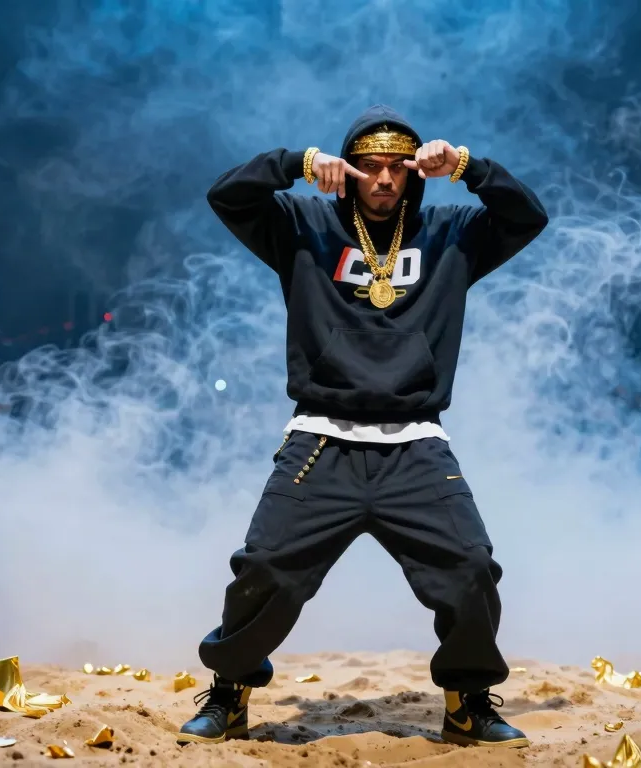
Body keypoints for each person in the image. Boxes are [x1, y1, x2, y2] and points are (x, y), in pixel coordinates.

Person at [177, 105, 549, 749]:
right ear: (349, 169)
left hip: (416, 444)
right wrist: (295, 163)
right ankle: (230, 693)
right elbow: (227, 196)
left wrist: (467, 165)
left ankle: (467, 704)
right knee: (265, 569)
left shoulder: (452, 233)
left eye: (397, 168)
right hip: (321, 439)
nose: (383, 179)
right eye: (370, 166)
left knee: (470, 568)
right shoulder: (300, 224)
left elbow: (527, 217)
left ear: (414, 173)